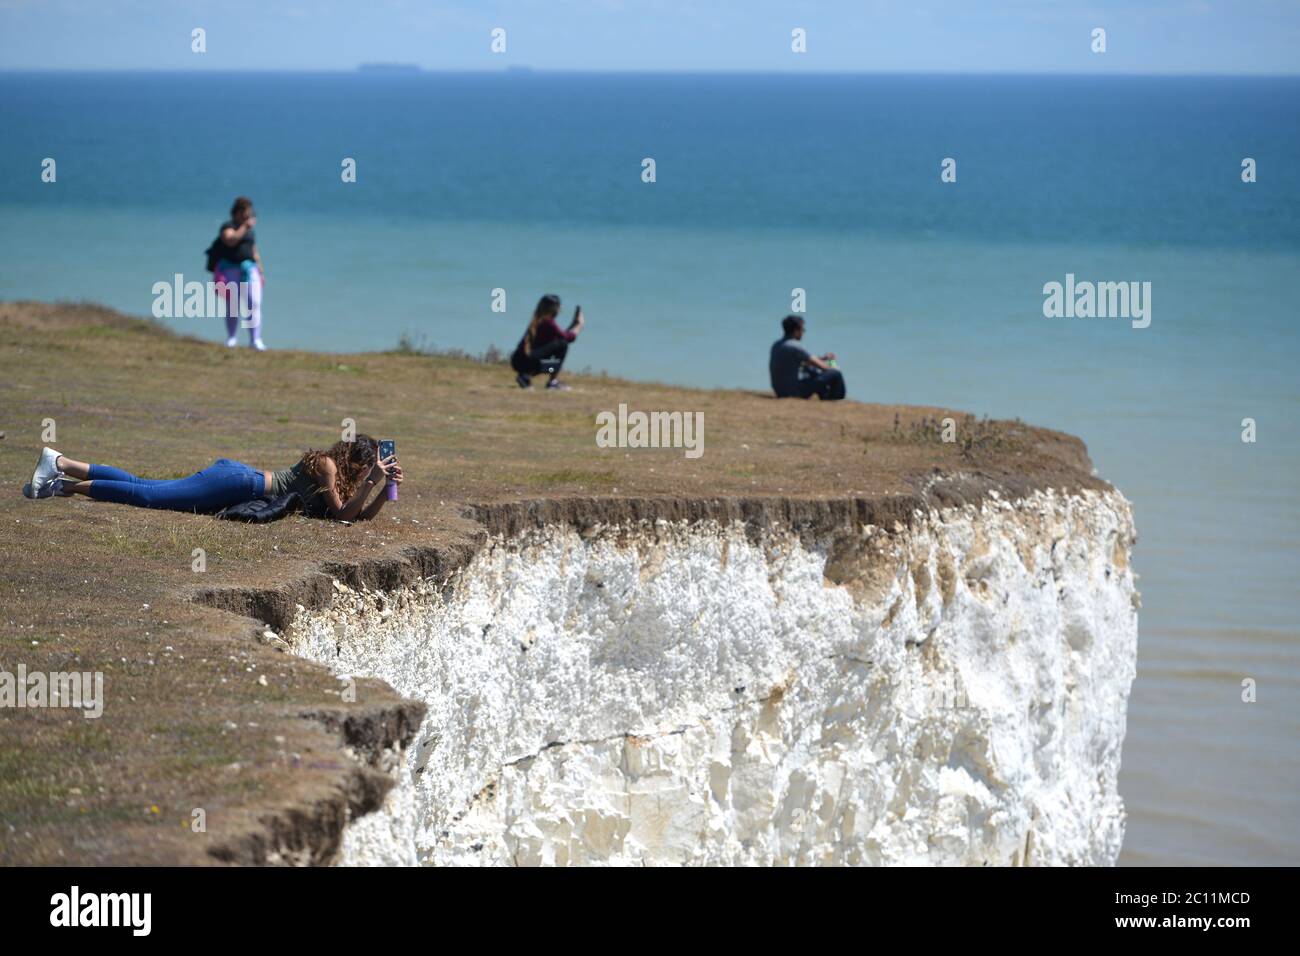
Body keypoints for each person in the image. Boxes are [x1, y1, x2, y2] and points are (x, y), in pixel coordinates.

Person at [20, 436, 402, 521]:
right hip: (237, 482)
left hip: (235, 480)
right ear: (356, 463)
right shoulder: (327, 467)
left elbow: (355, 518)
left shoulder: (343, 476)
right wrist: (371, 484)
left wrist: (383, 492)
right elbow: (340, 516)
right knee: (150, 497)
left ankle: (61, 466)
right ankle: (61, 480)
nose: (370, 474)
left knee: (147, 487)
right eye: (369, 468)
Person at [207, 196, 267, 350]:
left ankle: (255, 340)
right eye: (247, 212)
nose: (249, 216)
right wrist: (244, 227)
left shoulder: (249, 231)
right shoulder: (228, 226)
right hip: (230, 269)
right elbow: (230, 240)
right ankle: (232, 338)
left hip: (249, 269)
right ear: (239, 212)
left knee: (254, 304)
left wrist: (260, 268)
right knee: (232, 306)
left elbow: (253, 249)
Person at [511, 294, 584, 390]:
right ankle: (552, 382)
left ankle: (525, 376)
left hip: (519, 361)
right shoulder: (548, 322)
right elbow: (566, 339)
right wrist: (579, 326)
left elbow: (560, 336)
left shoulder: (538, 320)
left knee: (560, 345)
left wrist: (573, 325)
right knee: (562, 345)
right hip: (529, 363)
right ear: (555, 308)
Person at [769, 314, 846, 401]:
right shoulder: (795, 346)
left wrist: (823, 358)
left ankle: (826, 396)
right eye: (802, 329)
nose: (804, 331)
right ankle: (835, 399)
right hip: (794, 392)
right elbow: (824, 368)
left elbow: (805, 362)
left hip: (780, 391)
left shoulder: (777, 344)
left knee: (810, 370)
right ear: (796, 331)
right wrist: (833, 364)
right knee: (836, 373)